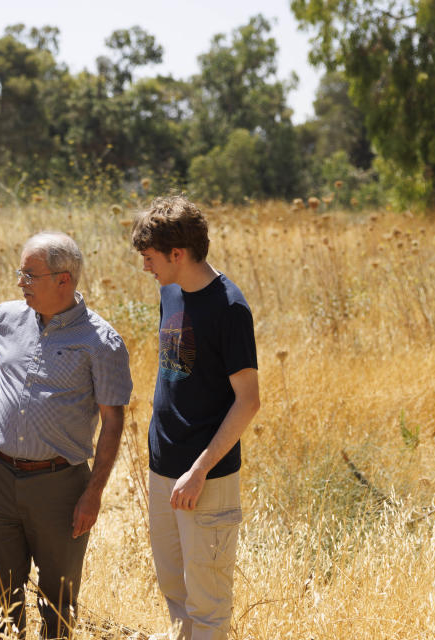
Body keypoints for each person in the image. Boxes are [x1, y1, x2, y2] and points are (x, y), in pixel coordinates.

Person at [0, 231, 133, 640]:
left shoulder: (101, 341)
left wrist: (92, 495)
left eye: (29, 274)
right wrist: (2, 397)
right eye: (20, 273)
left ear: (64, 280)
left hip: (60, 484)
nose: (20, 283)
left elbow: (113, 423)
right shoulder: (8, 315)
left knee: (57, 597)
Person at [131, 197, 260, 640]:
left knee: (207, 605)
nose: (146, 267)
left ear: (177, 254)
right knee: (174, 591)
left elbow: (248, 401)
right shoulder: (170, 290)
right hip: (163, 472)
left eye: (150, 259)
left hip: (205, 478)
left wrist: (199, 471)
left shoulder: (230, 308)